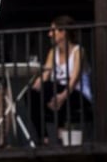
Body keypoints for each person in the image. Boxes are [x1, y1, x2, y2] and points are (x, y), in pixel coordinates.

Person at [30, 15, 92, 144]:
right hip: (57, 92)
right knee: (31, 95)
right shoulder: (53, 52)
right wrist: (36, 85)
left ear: (63, 32)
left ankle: (60, 131)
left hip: (77, 94)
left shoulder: (78, 51)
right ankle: (44, 137)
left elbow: (74, 79)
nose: (49, 34)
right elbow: (46, 75)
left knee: (51, 88)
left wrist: (62, 96)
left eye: (53, 31)